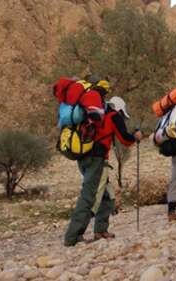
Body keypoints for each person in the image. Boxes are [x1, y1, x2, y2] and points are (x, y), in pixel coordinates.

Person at [64, 96, 143, 247]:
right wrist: (136, 136)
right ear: (119, 109)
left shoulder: (95, 115)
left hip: (84, 159)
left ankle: (100, 230)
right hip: (97, 161)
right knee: (90, 198)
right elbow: (125, 139)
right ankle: (73, 236)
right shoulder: (114, 116)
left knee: (107, 196)